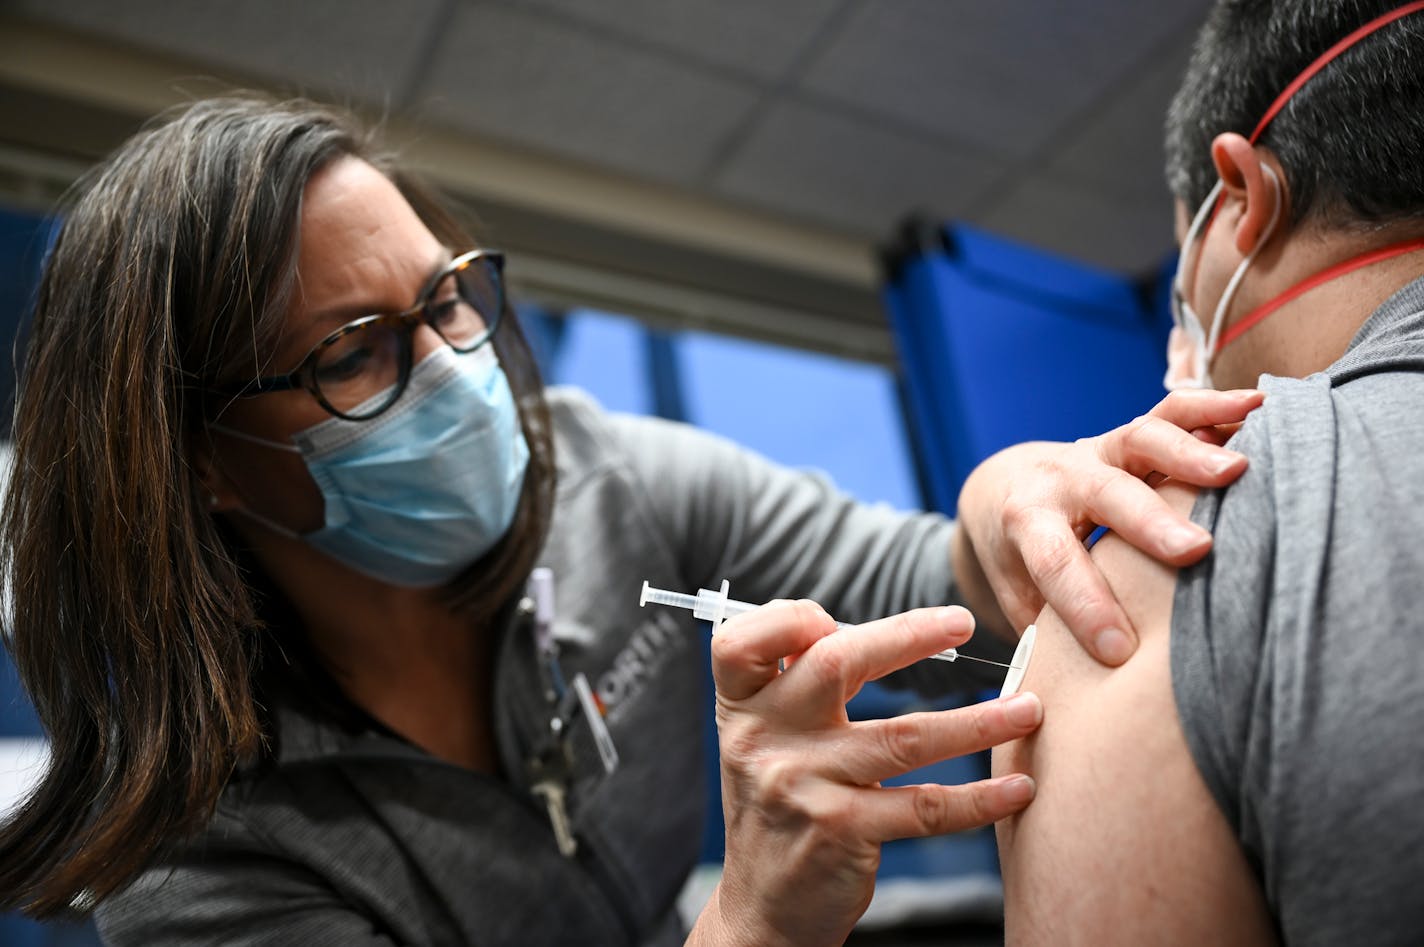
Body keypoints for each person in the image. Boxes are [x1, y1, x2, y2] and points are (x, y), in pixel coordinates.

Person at [0, 96, 1257, 945]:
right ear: (197, 463)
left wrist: (992, 513)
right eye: (355, 350)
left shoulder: (621, 480)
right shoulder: (202, 860)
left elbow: (933, 591)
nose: (452, 365)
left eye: (447, 298)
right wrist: (756, 920)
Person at [986, 1, 1424, 943]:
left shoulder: (1169, 547)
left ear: (1242, 194)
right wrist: (1002, 488)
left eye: (1185, 249)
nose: (1184, 321)